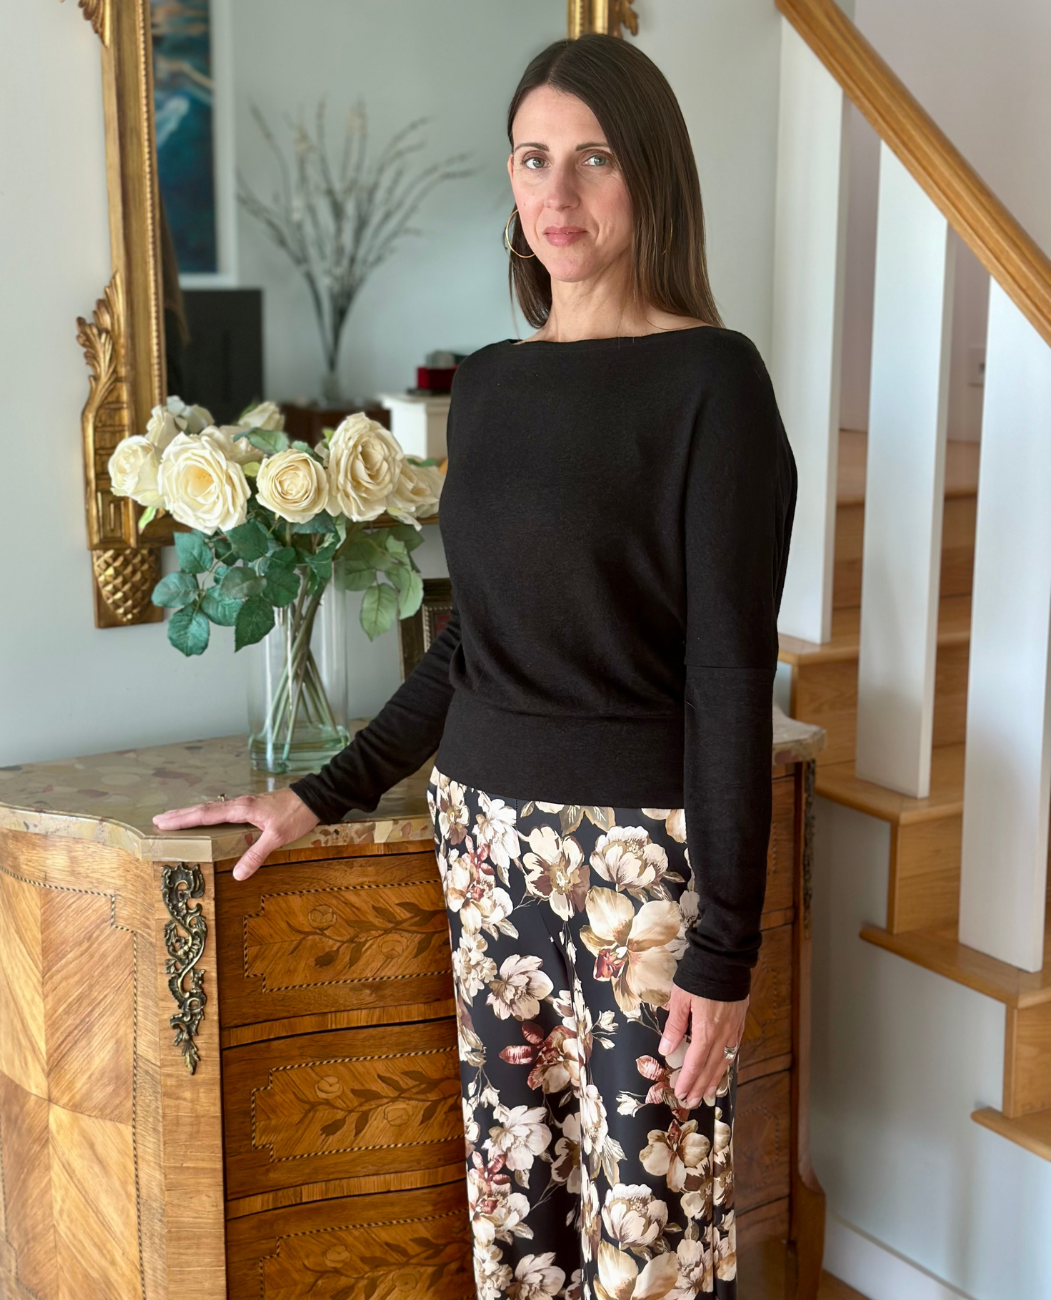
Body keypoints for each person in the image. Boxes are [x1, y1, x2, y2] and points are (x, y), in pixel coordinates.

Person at [154, 32, 796, 1300]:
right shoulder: (489, 387)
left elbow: (730, 678)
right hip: (484, 843)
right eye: (532, 159)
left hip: (643, 876)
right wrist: (321, 790)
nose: (557, 194)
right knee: (518, 1215)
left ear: (651, 176)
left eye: (594, 158)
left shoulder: (713, 383)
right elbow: (473, 644)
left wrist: (726, 943)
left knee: (650, 1237)